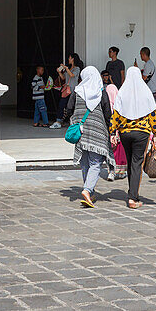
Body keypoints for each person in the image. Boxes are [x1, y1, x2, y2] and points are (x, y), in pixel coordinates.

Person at [61, 66, 113, 207]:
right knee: (95, 162)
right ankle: (88, 190)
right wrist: (111, 131)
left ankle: (89, 191)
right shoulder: (101, 93)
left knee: (85, 162)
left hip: (81, 131)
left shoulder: (77, 92)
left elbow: (69, 109)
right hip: (97, 132)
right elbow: (108, 114)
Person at [110, 66, 156, 209]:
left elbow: (116, 114)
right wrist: (155, 132)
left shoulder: (122, 92)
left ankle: (132, 192)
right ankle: (133, 197)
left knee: (131, 163)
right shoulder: (146, 92)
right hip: (141, 133)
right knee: (136, 163)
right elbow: (152, 114)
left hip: (125, 133)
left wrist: (113, 132)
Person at [102, 72, 126, 180]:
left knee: (110, 151)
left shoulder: (105, 104)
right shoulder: (120, 104)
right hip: (119, 134)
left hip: (108, 132)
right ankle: (120, 172)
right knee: (120, 152)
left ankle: (111, 171)